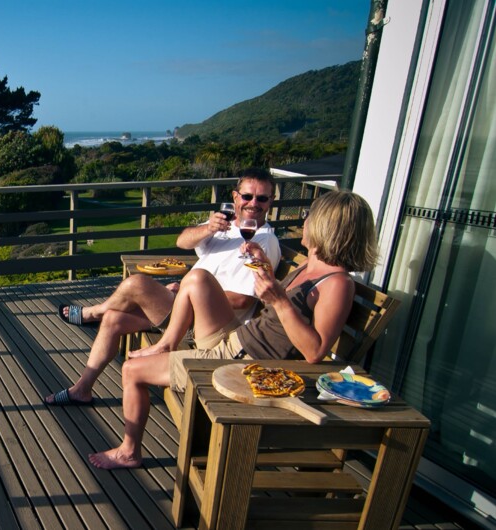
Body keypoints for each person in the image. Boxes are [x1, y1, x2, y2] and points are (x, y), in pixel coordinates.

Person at [87, 190, 378, 469]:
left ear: (327, 227)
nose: (304, 221)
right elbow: (276, 318)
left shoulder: (337, 284)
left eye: (309, 216)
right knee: (198, 277)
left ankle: (129, 452)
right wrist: (264, 270)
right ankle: (166, 344)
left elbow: (314, 351)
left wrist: (278, 299)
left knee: (132, 371)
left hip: (243, 361)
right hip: (239, 338)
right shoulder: (309, 267)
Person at [45, 168, 280, 406]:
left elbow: (243, 300)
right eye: (248, 196)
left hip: (212, 327)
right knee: (114, 319)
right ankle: (81, 389)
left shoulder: (263, 240)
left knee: (137, 284)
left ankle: (93, 312)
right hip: (186, 313)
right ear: (235, 197)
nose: (253, 203)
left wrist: (187, 295)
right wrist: (208, 228)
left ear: (271, 201)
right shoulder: (224, 227)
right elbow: (182, 241)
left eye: (262, 198)